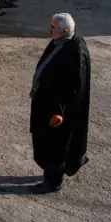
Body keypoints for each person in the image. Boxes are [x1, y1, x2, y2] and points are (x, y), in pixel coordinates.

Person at [28, 13, 91, 194]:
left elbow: (74, 88)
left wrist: (60, 112)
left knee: (55, 145)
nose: (50, 29)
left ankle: (53, 182)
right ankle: (50, 173)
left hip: (57, 112)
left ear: (64, 31)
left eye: (53, 27)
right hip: (47, 105)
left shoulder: (75, 51)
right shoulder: (62, 41)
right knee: (46, 141)